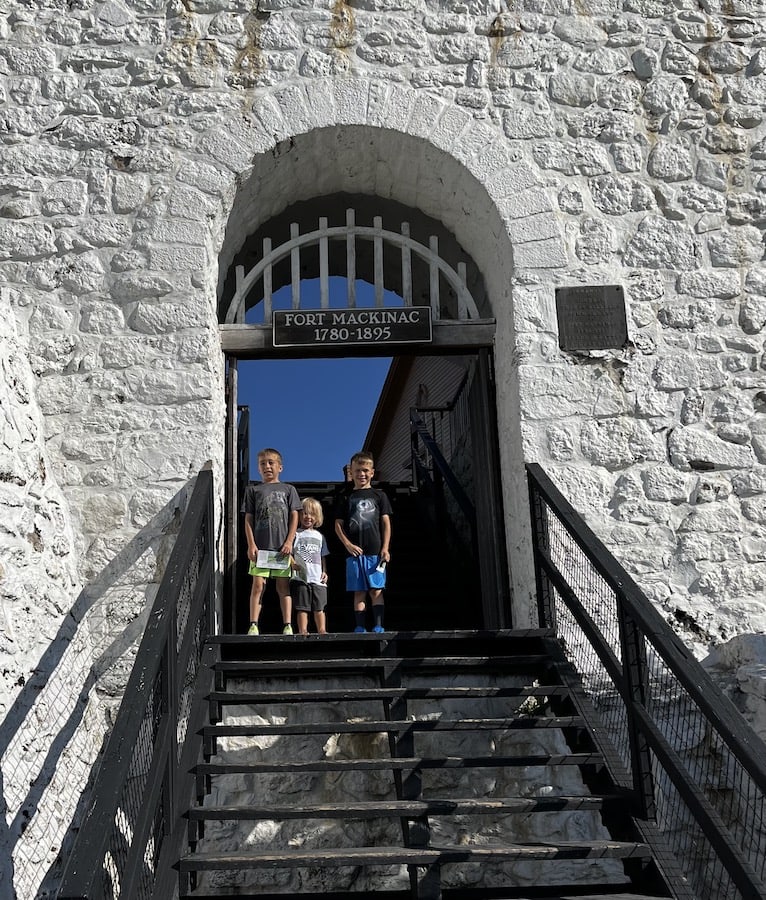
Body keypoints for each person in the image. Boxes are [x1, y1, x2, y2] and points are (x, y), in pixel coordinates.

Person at [241, 447, 301, 635]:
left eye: (271, 463)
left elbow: (294, 516)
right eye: (262, 463)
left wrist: (289, 542)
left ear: (280, 467)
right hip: (261, 548)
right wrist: (251, 544)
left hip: (282, 548)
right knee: (258, 585)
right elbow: (248, 519)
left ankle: (288, 625)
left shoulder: (289, 489)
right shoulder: (253, 490)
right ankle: (253, 624)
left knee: (283, 587)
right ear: (258, 468)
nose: (267, 466)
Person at [334, 450, 392, 633]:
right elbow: (337, 524)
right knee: (359, 591)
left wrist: (385, 548)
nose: (362, 474)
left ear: (372, 472)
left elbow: (386, 523)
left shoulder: (379, 496)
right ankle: (359, 627)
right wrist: (347, 544)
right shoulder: (345, 497)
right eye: (358, 470)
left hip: (375, 550)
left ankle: (378, 625)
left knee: (376, 590)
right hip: (353, 553)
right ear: (351, 472)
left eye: (365, 470)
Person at [291, 497, 330, 635]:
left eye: (312, 514)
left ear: (317, 517)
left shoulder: (320, 536)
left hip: (317, 577)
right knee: (302, 607)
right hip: (300, 577)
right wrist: (292, 563)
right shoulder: (295, 534)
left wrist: (325, 571)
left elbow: (322, 556)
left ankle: (322, 630)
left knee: (319, 607)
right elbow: (289, 552)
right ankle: (303, 630)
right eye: (305, 513)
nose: (308, 517)